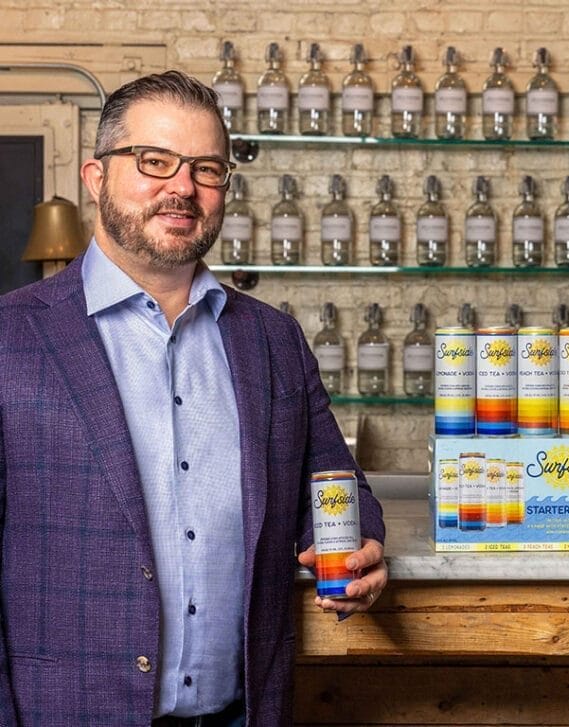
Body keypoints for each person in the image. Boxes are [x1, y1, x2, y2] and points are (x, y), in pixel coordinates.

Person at [0, 70, 387, 727]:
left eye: (207, 169)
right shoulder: (12, 336)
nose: (183, 186)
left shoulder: (272, 340)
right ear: (96, 178)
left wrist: (361, 546)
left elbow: (333, 487)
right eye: (154, 161)